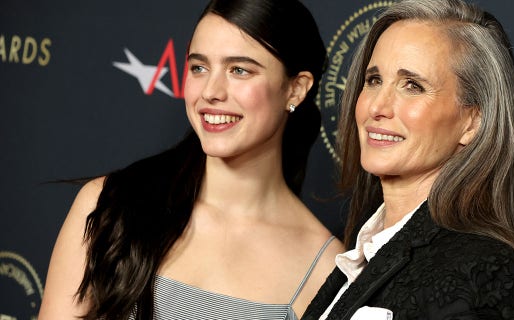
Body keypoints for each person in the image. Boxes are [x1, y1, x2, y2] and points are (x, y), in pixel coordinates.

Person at [38, 0, 344, 319]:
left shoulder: (325, 269)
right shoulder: (108, 206)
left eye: (239, 70)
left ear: (296, 89)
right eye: (199, 67)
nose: (211, 91)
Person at [302, 0, 514, 319]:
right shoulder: (369, 246)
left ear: (472, 122)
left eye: (412, 86)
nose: (378, 106)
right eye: (374, 80)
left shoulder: (485, 269)